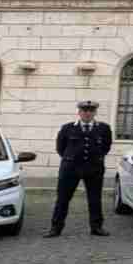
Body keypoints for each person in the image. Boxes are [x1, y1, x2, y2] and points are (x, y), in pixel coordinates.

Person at [44, 100, 113, 238]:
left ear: (95, 112)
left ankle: (96, 227)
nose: (87, 113)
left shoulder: (104, 128)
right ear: (79, 112)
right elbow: (60, 148)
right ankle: (56, 228)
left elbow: (106, 147)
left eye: (91, 111)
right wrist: (71, 159)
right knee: (63, 199)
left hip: (94, 169)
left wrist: (95, 159)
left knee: (95, 199)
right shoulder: (67, 128)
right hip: (70, 169)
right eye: (84, 111)